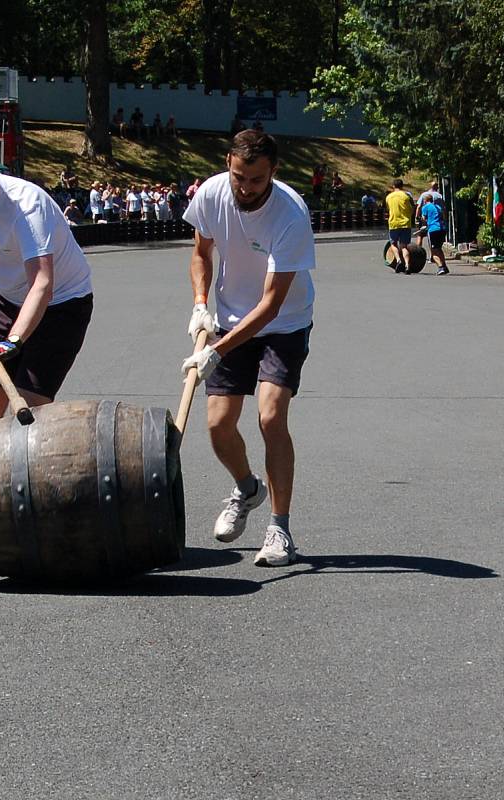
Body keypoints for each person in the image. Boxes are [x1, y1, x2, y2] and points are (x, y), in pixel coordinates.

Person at [181, 129, 316, 568]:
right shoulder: (211, 194)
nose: (245, 188)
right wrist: (202, 304)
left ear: (273, 173)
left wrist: (216, 351)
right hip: (227, 319)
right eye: (239, 176)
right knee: (219, 427)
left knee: (270, 415)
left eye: (256, 180)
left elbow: (272, 304)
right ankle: (247, 488)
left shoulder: (290, 215)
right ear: (228, 163)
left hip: (283, 323)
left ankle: (280, 528)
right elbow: (202, 253)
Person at [0, 129, 94, 426]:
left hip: (62, 302)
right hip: (6, 296)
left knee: (30, 412)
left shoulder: (26, 205)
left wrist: (13, 340)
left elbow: (42, 283)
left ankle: (33, 471)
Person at [385, 178, 415, 273]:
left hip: (393, 223)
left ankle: (398, 260)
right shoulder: (406, 196)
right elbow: (412, 208)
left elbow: (388, 209)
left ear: (393, 186)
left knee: (393, 244)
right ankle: (407, 265)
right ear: (402, 186)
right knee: (404, 246)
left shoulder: (389, 197)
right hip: (406, 223)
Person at [419, 194, 449, 275]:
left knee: (434, 251)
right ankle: (445, 266)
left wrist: (423, 222)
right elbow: (443, 216)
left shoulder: (425, 207)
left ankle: (440, 267)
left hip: (433, 230)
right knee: (439, 248)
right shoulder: (438, 207)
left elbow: (424, 219)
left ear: (425, 200)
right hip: (442, 229)